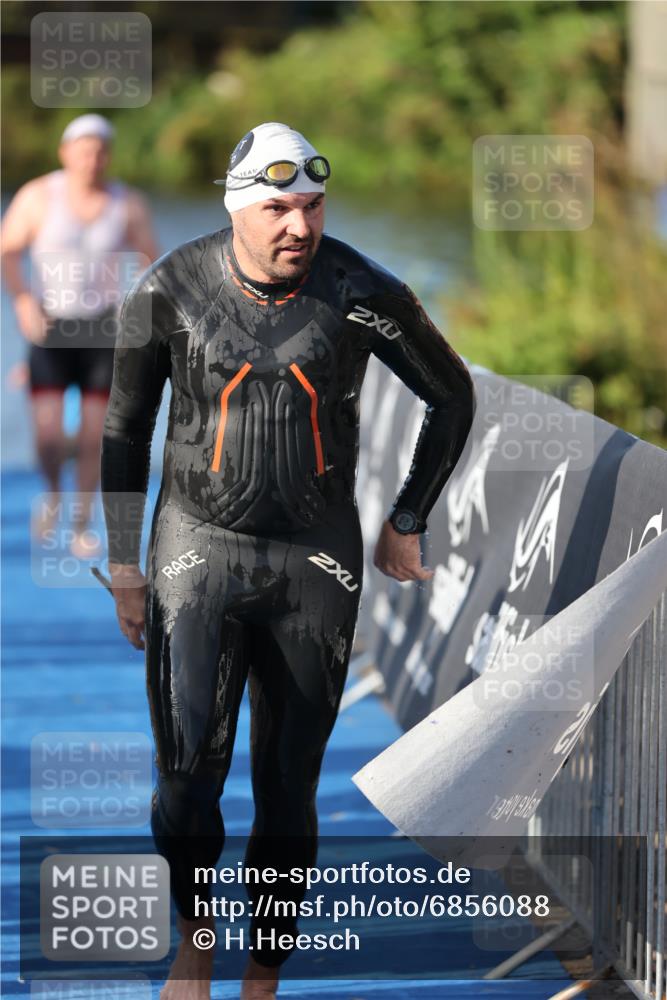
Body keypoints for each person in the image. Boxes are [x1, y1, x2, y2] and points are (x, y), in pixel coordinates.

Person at [100, 121, 475, 1000]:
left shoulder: (358, 289)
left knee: (288, 787)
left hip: (317, 563)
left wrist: (407, 517)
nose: (297, 226)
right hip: (196, 553)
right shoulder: (169, 288)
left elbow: (450, 394)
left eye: (310, 206)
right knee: (186, 781)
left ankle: (261, 980)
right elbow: (122, 431)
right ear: (238, 209)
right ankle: (196, 943)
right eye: (276, 207)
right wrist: (125, 567)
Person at [0, 113, 159, 557]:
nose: (92, 159)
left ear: (107, 156)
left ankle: (80, 524)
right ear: (65, 153)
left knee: (95, 437)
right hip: (51, 326)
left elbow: (156, 263)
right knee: (49, 439)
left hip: (103, 329)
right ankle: (53, 494)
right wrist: (24, 301)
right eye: (84, 150)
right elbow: (8, 252)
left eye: (100, 151)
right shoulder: (38, 196)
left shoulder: (126, 203)